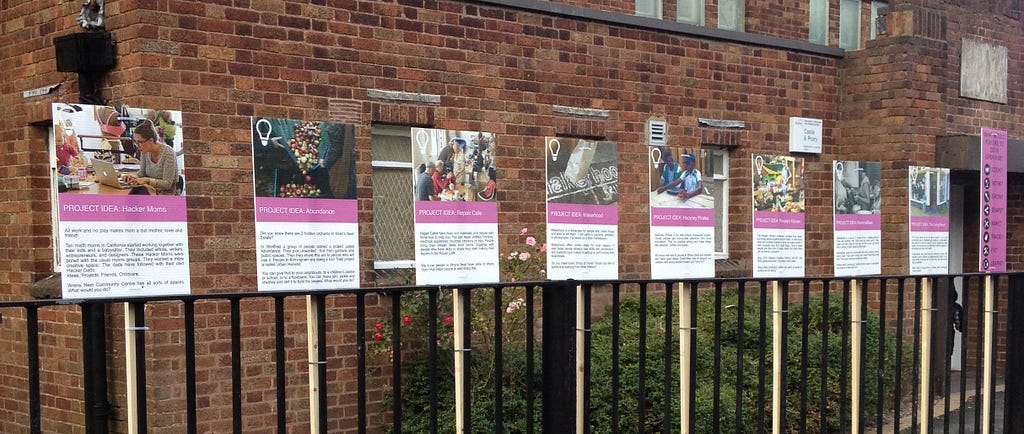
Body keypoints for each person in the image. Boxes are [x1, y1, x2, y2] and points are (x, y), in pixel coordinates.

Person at [120, 120, 179, 195]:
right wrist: (132, 176)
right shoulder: (145, 151)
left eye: (140, 142)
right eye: (136, 142)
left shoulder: (168, 153)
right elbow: (142, 173)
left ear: (151, 140)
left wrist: (147, 180)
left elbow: (167, 184)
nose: (137, 146)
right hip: (149, 191)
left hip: (165, 195)